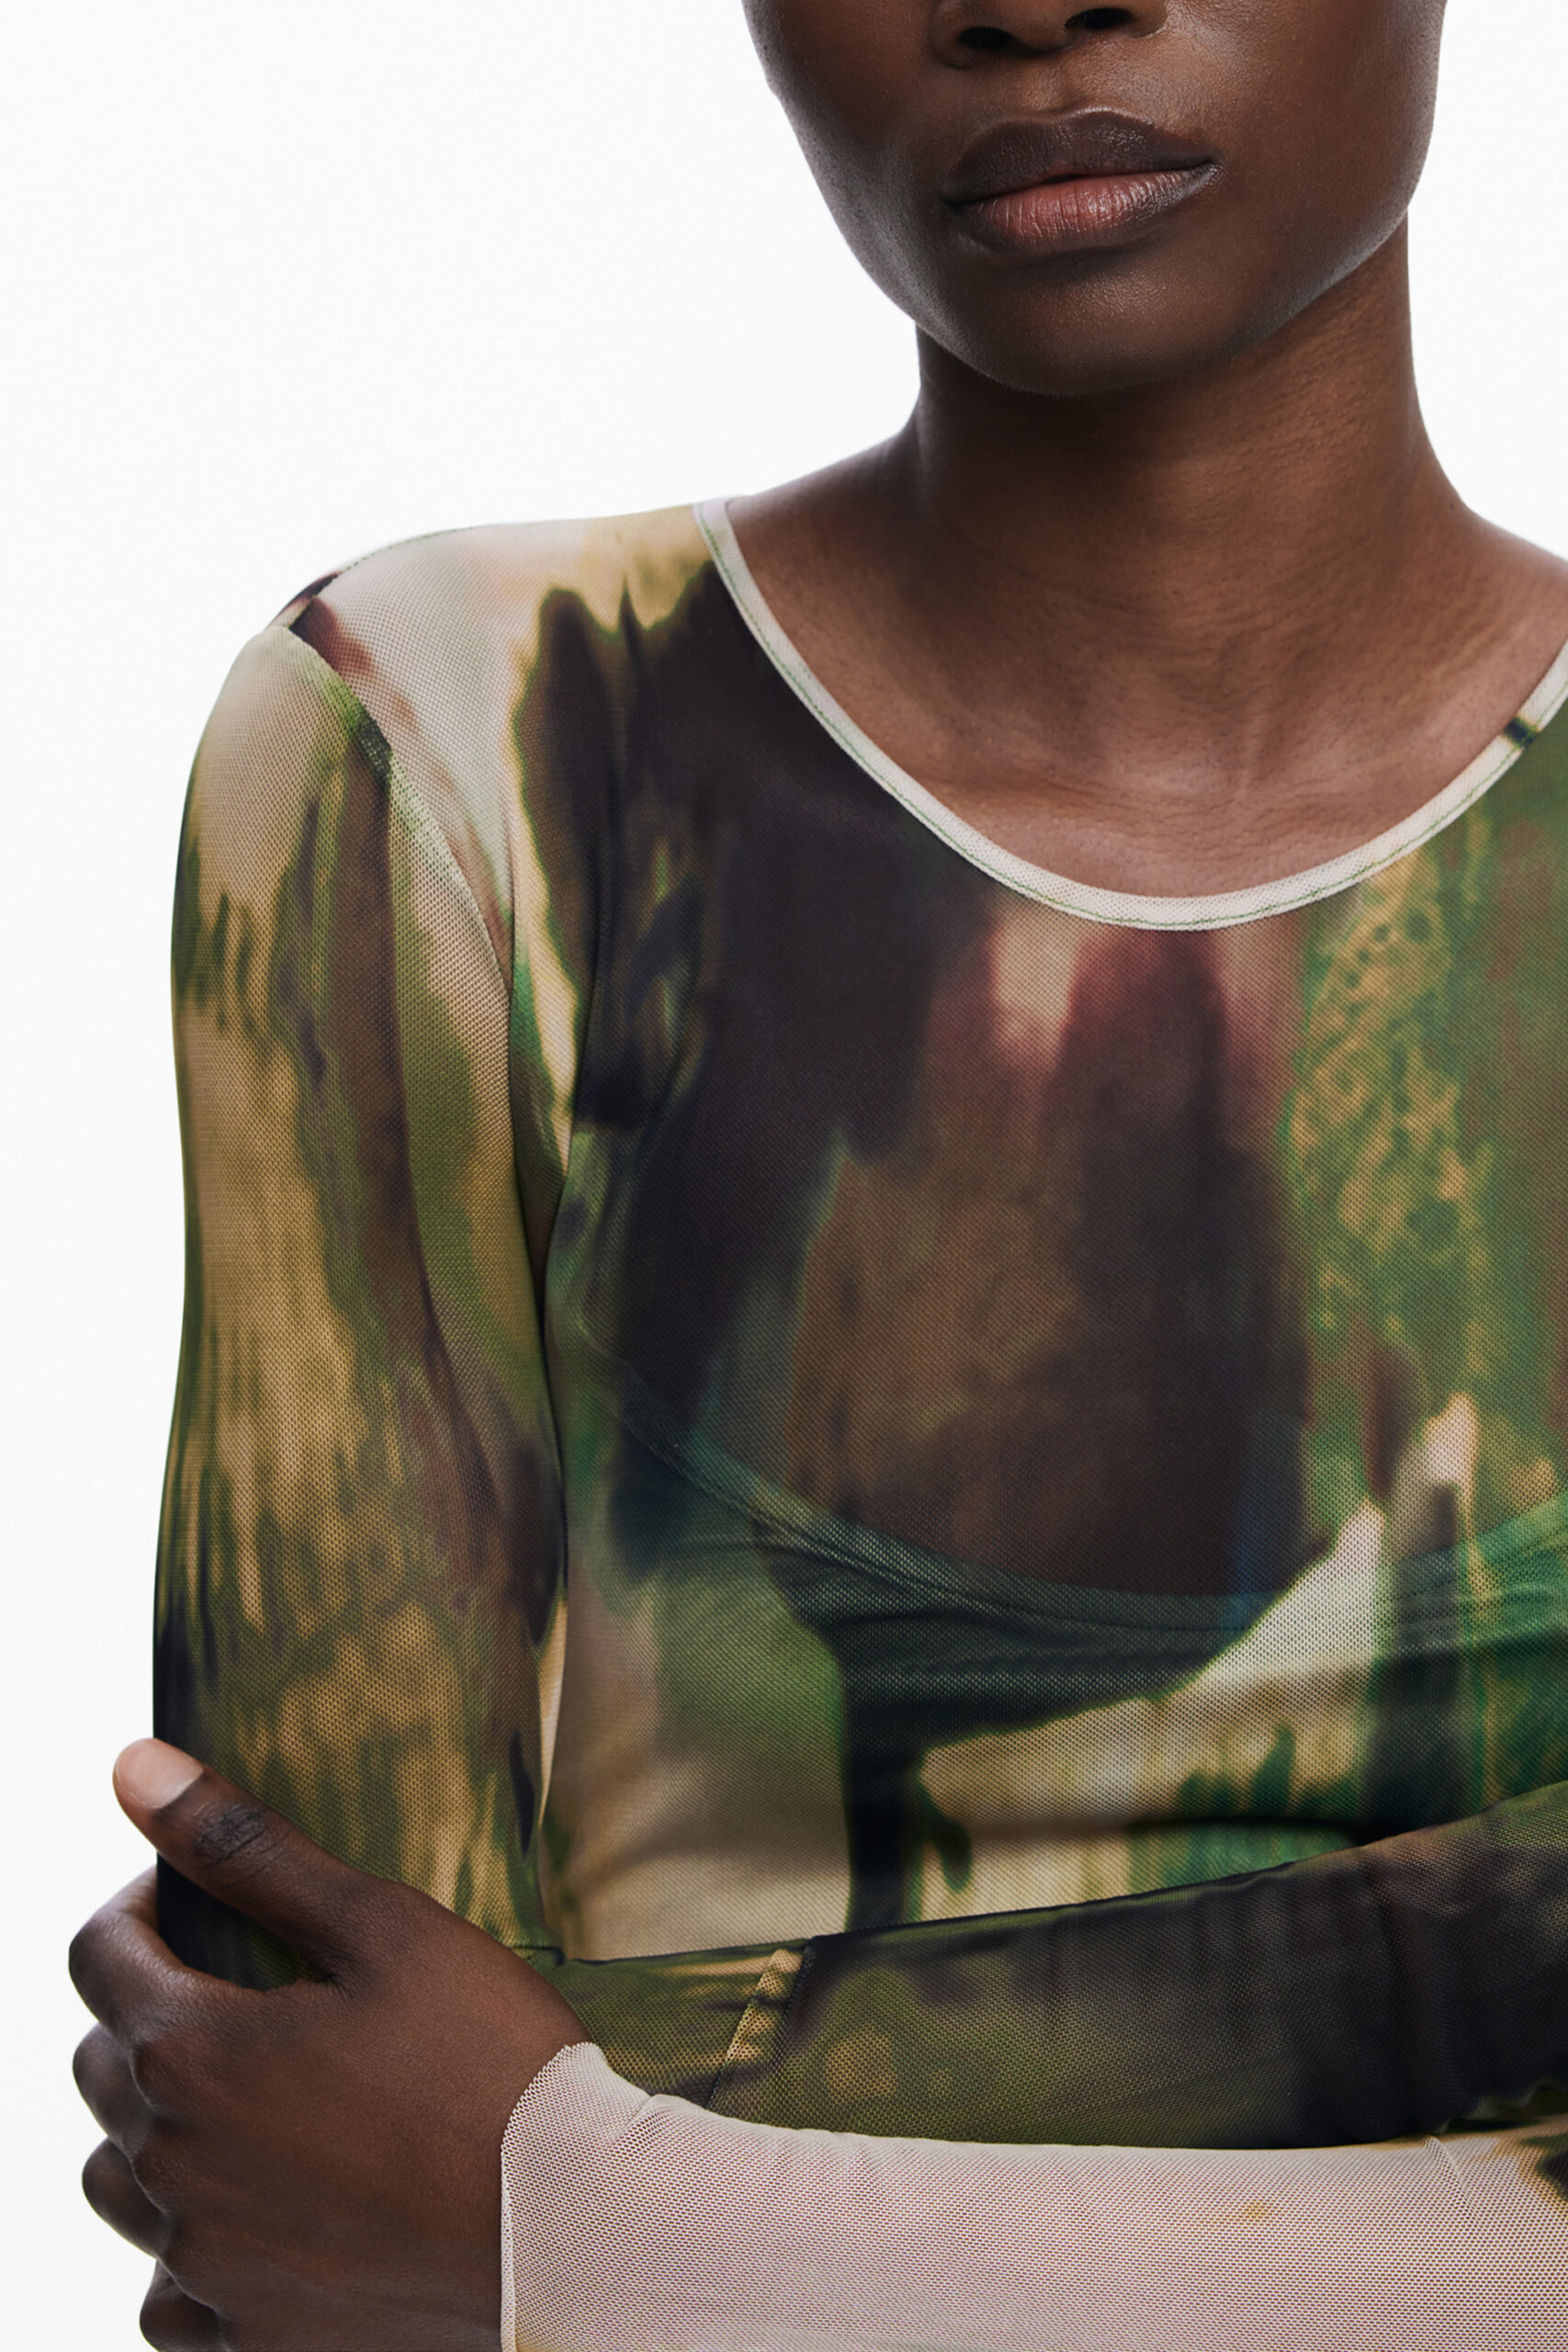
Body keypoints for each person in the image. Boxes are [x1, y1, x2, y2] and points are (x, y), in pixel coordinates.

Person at [68, 1, 1568, 2345]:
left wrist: (594, 2210)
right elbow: (317, 2178)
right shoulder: (463, 745)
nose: (1028, 3)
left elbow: (447, 2213)